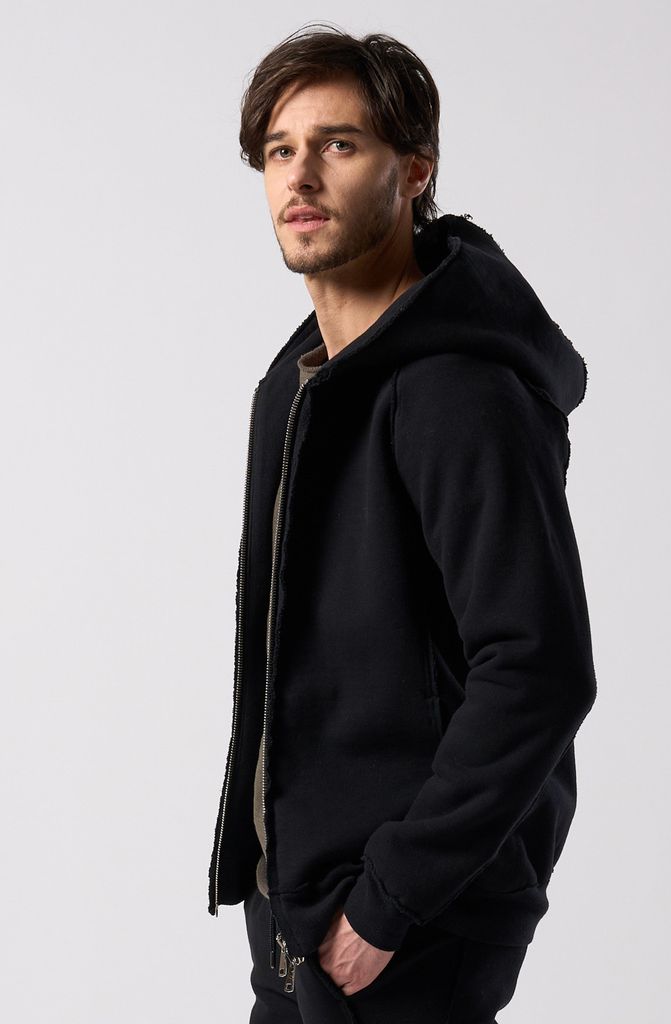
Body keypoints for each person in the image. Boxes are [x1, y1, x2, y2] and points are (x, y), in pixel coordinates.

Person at [207, 23, 598, 1024]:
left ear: (414, 169)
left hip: (408, 922)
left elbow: (539, 668)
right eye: (281, 150)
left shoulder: (458, 393)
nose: (301, 176)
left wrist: (390, 900)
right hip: (302, 906)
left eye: (338, 144)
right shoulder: (298, 386)